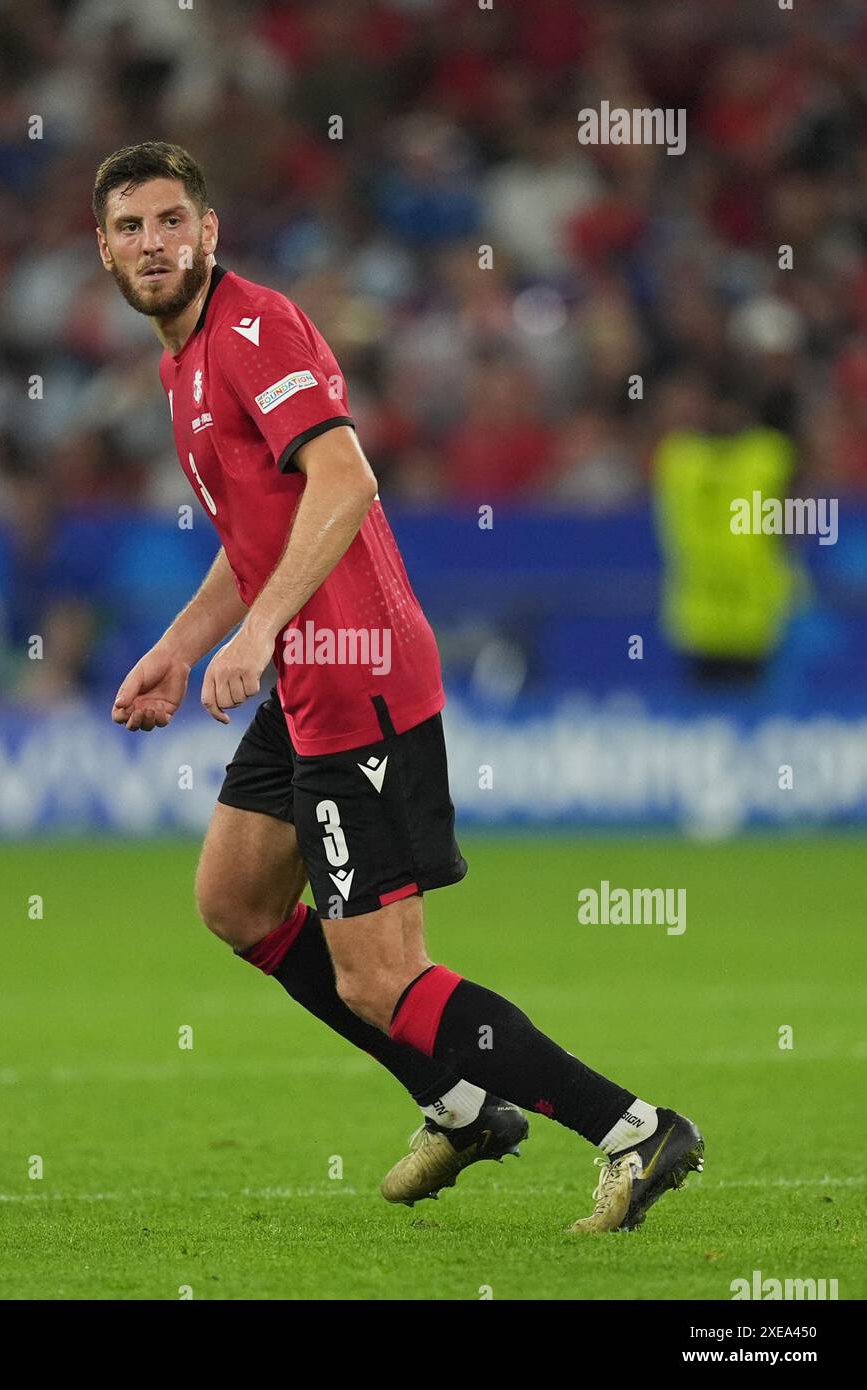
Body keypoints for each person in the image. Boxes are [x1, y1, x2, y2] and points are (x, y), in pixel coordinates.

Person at [98, 141, 703, 1230]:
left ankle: (635, 1128)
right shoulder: (179, 365)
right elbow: (256, 536)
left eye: (171, 220)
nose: (154, 242)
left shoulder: (252, 329)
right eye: (132, 226)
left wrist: (265, 630)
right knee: (235, 903)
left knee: (383, 976)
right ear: (103, 248)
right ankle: (460, 1104)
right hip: (304, 674)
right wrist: (185, 645)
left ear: (209, 231)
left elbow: (345, 478)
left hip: (358, 673)